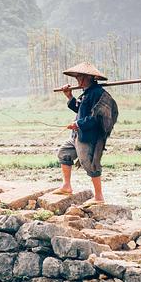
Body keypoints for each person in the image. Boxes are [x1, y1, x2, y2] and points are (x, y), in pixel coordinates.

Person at [54, 62, 111, 205]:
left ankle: (99, 197)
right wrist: (69, 96)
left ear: (88, 77)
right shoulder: (86, 93)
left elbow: (96, 117)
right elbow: (79, 109)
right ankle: (67, 186)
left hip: (88, 136)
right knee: (64, 153)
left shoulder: (98, 94)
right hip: (77, 135)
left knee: (90, 163)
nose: (77, 80)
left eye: (79, 77)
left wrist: (78, 124)